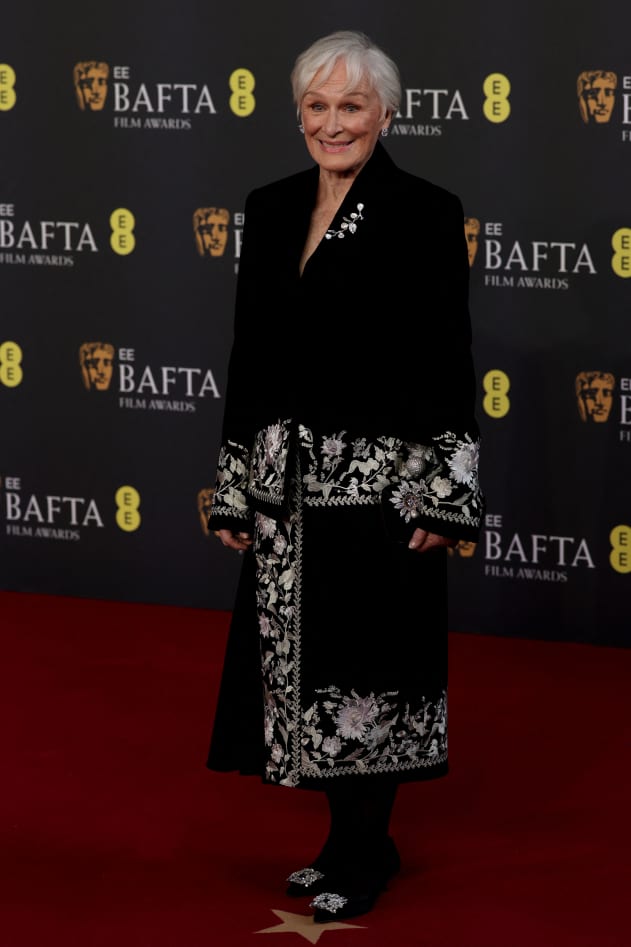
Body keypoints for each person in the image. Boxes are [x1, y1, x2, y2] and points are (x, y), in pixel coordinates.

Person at [206, 29, 484, 924]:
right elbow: (250, 354)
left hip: (381, 489)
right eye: (317, 106)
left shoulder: (424, 210)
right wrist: (234, 481)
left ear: (386, 114)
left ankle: (366, 848)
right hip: (286, 492)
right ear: (297, 114)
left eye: (351, 106)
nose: (333, 123)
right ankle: (344, 838)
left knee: (370, 670)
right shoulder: (270, 205)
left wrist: (448, 495)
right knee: (302, 673)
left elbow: (446, 355)